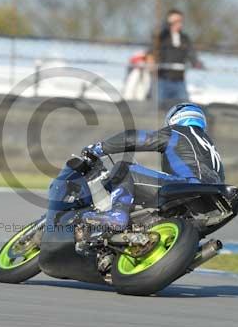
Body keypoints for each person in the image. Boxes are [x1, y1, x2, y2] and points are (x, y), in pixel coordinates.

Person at [75, 103, 224, 256]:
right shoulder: (210, 145)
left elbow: (134, 139)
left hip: (187, 185)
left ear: (176, 118)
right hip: (211, 200)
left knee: (124, 168)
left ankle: (117, 214)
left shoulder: (179, 132)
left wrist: (98, 148)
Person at [148, 9, 203, 106]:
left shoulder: (184, 38)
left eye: (180, 21)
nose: (179, 24)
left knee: (183, 107)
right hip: (161, 80)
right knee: (158, 107)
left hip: (179, 81)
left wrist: (196, 62)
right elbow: (152, 50)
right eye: (175, 21)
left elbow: (191, 53)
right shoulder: (161, 37)